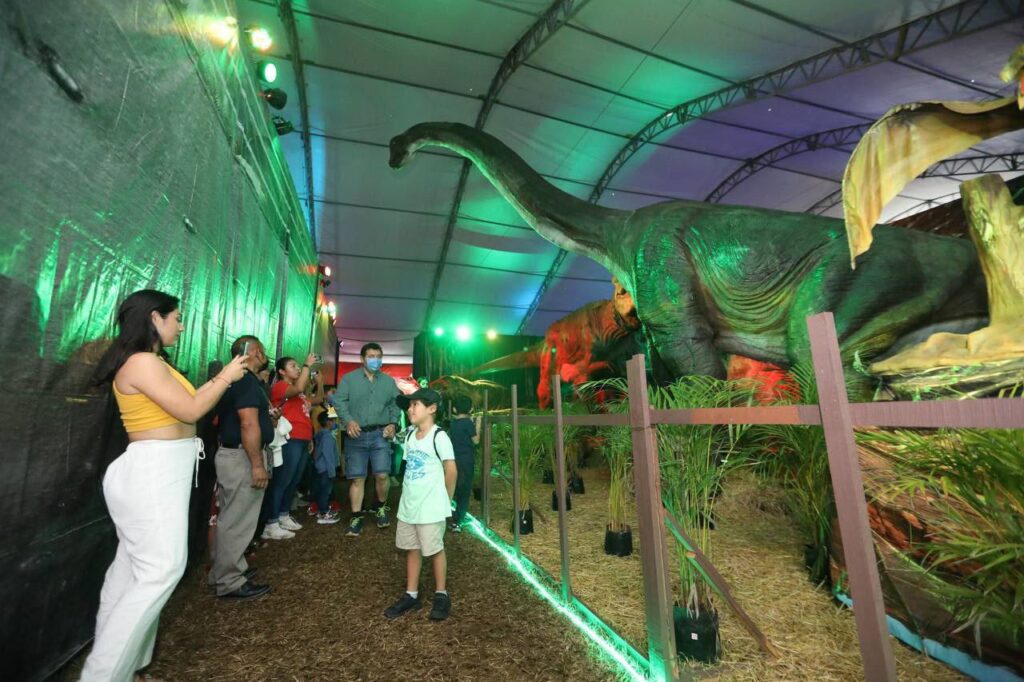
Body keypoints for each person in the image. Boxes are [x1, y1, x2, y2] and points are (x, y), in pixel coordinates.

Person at [82, 290, 248, 681]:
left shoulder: (150, 361)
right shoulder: (141, 362)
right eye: (177, 318)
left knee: (129, 574)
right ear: (155, 319)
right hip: (151, 472)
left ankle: (130, 668)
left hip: (158, 471)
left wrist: (222, 379)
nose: (182, 326)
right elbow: (191, 409)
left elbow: (191, 402)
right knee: (161, 569)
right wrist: (225, 377)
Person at [209, 336, 276, 600]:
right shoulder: (245, 380)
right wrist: (257, 465)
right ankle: (230, 581)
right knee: (238, 521)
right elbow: (248, 423)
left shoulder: (235, 379)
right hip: (242, 458)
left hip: (234, 455)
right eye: (263, 350)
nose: (265, 355)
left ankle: (224, 572)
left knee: (230, 517)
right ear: (254, 352)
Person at [384, 388, 457, 622]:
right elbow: (410, 467)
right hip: (409, 506)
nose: (410, 409)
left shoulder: (439, 436)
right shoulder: (409, 436)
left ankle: (441, 593)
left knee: (434, 549)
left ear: (432, 409)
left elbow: (451, 470)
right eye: (409, 405)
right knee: (412, 549)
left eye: (415, 404)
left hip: (430, 508)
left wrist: (445, 501)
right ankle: (411, 594)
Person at [335, 343, 400, 537]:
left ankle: (380, 508)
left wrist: (393, 423)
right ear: (362, 358)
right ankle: (356, 517)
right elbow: (339, 402)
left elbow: (395, 404)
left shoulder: (388, 382)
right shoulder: (349, 380)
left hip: (381, 434)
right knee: (357, 478)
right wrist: (348, 420)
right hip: (356, 435)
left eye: (379, 356)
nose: (376, 360)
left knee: (382, 475)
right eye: (371, 356)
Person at [264, 353, 322, 539]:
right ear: (281, 372)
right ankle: (271, 522)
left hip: (303, 439)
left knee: (294, 480)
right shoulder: (280, 387)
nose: (297, 369)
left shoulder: (301, 395)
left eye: (298, 366)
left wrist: (320, 382)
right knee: (282, 480)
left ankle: (283, 514)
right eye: (293, 366)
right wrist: (307, 365)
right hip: (290, 439)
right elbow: (298, 387)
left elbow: (318, 399)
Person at [448, 396, 481, 532]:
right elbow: (476, 441)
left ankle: (449, 514)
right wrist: (478, 424)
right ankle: (457, 521)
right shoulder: (468, 423)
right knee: (464, 490)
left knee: (454, 486)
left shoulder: (453, 423)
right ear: (471, 409)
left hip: (453, 459)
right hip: (466, 460)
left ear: (454, 409)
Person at [312, 409, 341, 524]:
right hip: (326, 469)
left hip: (321, 467)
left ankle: (322, 510)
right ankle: (323, 513)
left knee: (322, 490)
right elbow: (328, 455)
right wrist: (332, 471)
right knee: (325, 491)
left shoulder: (321, 434)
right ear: (329, 422)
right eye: (333, 421)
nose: (335, 423)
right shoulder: (328, 437)